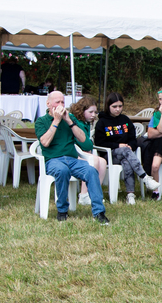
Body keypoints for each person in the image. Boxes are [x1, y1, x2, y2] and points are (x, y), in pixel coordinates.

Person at [35, 91, 108, 224]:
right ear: (48, 104)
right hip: (53, 160)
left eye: (63, 102)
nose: (61, 105)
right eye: (57, 102)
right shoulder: (41, 121)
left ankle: (99, 212)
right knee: (62, 171)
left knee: (91, 171)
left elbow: (86, 143)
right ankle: (62, 210)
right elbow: (45, 142)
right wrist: (56, 120)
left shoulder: (70, 119)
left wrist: (69, 121)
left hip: (73, 159)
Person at [94, 92, 160, 204]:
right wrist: (118, 146)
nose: (117, 109)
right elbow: (99, 143)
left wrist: (131, 145)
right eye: (114, 107)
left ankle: (130, 194)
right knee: (125, 151)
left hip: (126, 153)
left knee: (127, 160)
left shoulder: (125, 120)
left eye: (120, 106)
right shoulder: (102, 122)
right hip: (109, 155)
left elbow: (133, 139)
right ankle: (145, 178)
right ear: (108, 106)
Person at [69, 96, 107, 205]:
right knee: (93, 161)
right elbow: (86, 144)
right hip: (73, 154)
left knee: (103, 162)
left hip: (82, 153)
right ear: (81, 111)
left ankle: (94, 193)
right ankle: (84, 195)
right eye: (90, 112)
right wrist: (88, 145)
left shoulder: (85, 123)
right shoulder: (76, 122)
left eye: (95, 112)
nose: (93, 115)